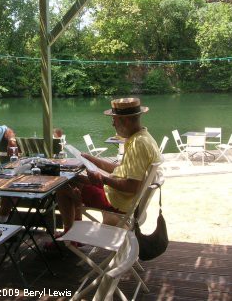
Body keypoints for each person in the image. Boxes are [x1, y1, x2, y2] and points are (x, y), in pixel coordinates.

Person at [50, 97, 161, 244]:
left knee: (63, 186)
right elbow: (121, 169)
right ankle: (73, 234)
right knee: (73, 179)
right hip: (123, 199)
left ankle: (70, 237)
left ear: (125, 120)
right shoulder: (142, 137)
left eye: (114, 119)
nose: (112, 123)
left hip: (117, 203)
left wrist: (103, 180)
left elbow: (132, 186)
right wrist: (92, 159)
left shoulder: (138, 144)